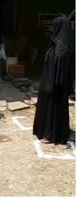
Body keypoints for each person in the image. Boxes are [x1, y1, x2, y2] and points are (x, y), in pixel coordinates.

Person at [33, 16, 74, 144]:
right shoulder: (57, 43)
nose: (52, 28)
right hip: (48, 85)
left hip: (54, 88)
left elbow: (62, 73)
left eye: (54, 26)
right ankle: (48, 131)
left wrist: (52, 86)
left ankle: (51, 135)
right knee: (49, 109)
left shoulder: (63, 49)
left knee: (53, 110)